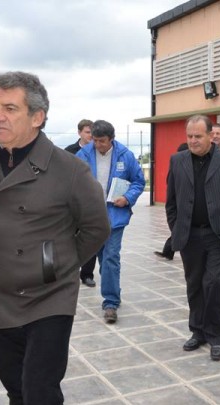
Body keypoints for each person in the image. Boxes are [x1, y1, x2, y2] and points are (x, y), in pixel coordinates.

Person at [0, 71, 110, 404]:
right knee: (15, 389)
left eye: (10, 108)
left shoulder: (69, 170)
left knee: (39, 390)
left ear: (37, 117)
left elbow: (96, 227)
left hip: (48, 297)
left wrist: (54, 262)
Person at [166, 115, 220, 362]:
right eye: (189, 136)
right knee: (194, 284)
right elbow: (171, 201)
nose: (192, 141)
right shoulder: (178, 160)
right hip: (190, 235)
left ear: (211, 136)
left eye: (198, 136)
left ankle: (217, 336)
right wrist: (177, 227)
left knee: (214, 283)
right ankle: (198, 331)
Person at [76, 119, 145, 324]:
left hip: (115, 215)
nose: (98, 145)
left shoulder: (125, 155)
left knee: (111, 257)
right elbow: (72, 182)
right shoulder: (83, 155)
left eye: (102, 141)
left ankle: (110, 303)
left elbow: (139, 181)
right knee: (102, 258)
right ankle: (113, 289)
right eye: (95, 140)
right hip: (90, 217)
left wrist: (128, 198)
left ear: (112, 139)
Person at [66, 119, 98, 287]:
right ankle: (68, 270)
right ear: (79, 133)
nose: (91, 136)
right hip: (71, 203)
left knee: (88, 237)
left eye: (92, 132)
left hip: (89, 202)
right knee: (68, 238)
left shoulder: (97, 150)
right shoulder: (69, 151)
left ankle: (87, 274)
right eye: (87, 132)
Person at [154, 143, 189, 261]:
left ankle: (168, 251)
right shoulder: (177, 165)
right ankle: (168, 251)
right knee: (177, 229)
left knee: (178, 230)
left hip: (185, 205)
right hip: (178, 204)